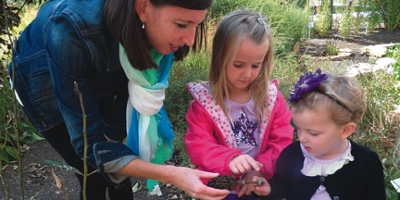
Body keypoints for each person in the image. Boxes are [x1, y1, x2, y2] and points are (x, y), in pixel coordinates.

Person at [8, 0, 231, 199]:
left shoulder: (155, 30)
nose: (190, 41)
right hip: (42, 86)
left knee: (117, 171)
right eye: (182, 25)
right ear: (143, 7)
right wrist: (173, 175)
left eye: (197, 25)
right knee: (91, 171)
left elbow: (130, 89)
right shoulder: (69, 30)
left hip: (104, 75)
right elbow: (89, 145)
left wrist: (114, 142)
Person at [184, 10, 294, 200]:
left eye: (255, 65)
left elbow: (282, 141)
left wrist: (260, 169)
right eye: (238, 65)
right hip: (222, 179)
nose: (247, 74)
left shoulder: (272, 99)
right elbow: (199, 145)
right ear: (220, 59)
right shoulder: (205, 103)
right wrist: (231, 159)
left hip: (261, 177)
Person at [244, 69, 386, 199]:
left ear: (345, 130)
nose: (301, 138)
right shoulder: (292, 155)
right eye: (299, 129)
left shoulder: (366, 162)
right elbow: (282, 187)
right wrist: (269, 190)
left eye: (313, 133)